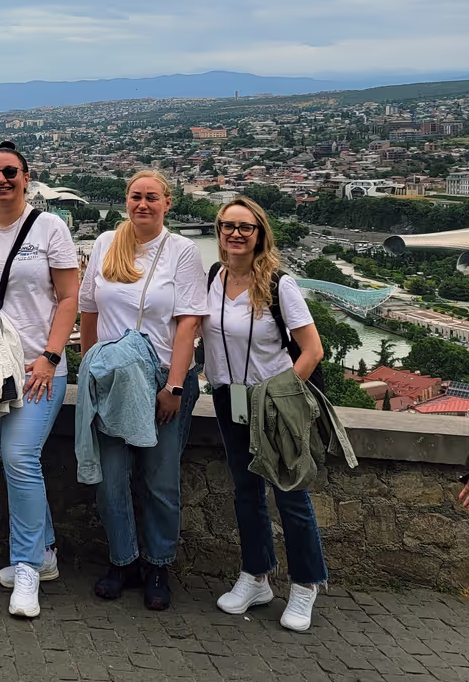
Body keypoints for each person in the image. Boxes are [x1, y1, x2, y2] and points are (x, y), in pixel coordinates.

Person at [78, 171, 206, 610]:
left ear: (167, 202)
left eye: (152, 197)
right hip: (113, 379)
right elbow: (89, 312)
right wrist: (91, 368)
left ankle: (158, 564)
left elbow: (188, 324)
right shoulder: (105, 244)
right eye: (136, 196)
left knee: (159, 479)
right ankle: (123, 560)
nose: (143, 204)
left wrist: (174, 385)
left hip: (163, 378)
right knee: (111, 479)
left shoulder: (183, 251)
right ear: (126, 199)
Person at [0, 141, 79, 618]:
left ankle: (27, 566)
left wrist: (51, 356)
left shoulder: (51, 227)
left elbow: (69, 297)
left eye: (10, 172)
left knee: (19, 456)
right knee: (12, 460)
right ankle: (44, 551)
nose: (1, 180)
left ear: (26, 178)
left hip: (38, 367)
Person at [202, 196, 327, 632]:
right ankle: (256, 575)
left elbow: (312, 350)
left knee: (290, 493)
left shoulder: (279, 285)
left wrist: (280, 396)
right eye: (228, 226)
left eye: (245, 227)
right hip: (230, 397)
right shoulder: (214, 277)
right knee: (246, 491)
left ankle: (306, 583)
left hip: (271, 403)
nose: (235, 234)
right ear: (218, 231)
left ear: (260, 234)